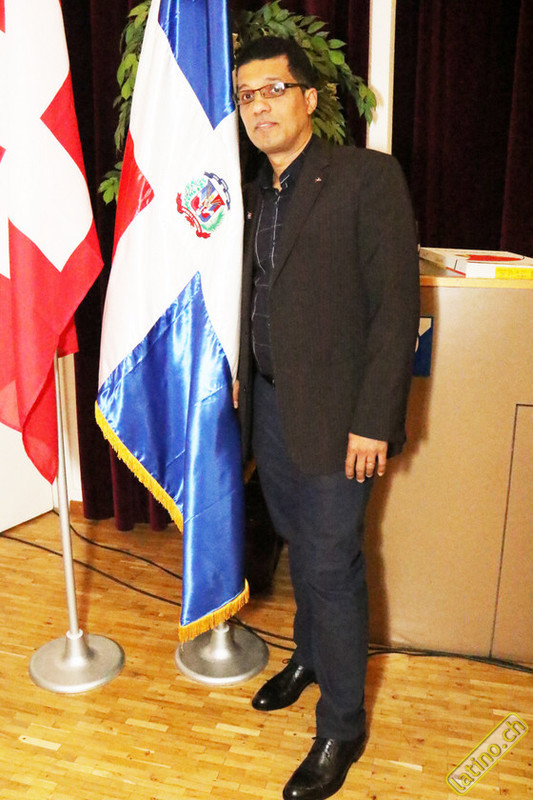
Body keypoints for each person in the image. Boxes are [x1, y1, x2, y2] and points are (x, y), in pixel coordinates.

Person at [233, 36, 420, 800]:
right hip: (271, 407)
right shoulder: (251, 195)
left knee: (331, 563)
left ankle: (342, 725)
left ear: (309, 98)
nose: (259, 107)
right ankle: (308, 655)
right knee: (298, 544)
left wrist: (373, 420)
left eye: (273, 89)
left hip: (343, 420)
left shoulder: (365, 178)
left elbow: (395, 311)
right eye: (246, 96)